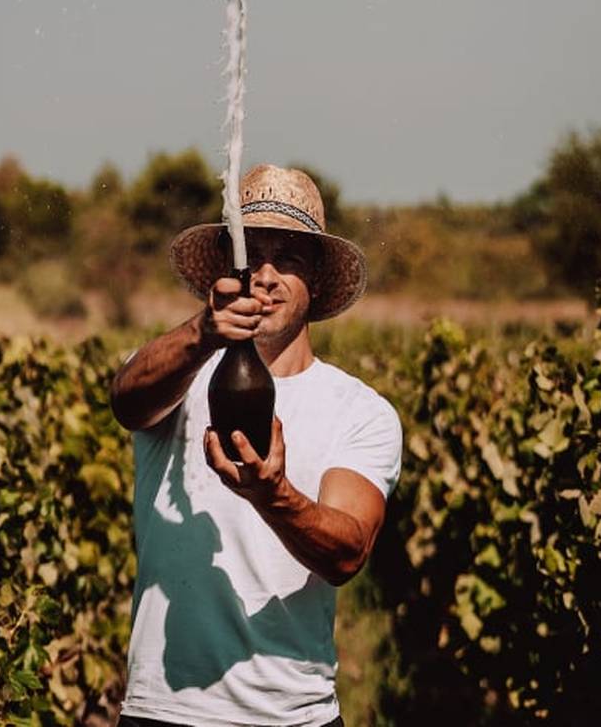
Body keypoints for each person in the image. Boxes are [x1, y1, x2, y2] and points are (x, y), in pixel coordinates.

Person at [110, 164, 402, 727]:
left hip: (293, 716)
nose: (265, 277)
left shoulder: (360, 412)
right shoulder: (180, 373)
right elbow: (127, 401)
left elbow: (347, 552)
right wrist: (204, 333)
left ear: (315, 281)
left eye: (288, 259)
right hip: (164, 711)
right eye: (251, 259)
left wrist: (274, 495)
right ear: (226, 275)